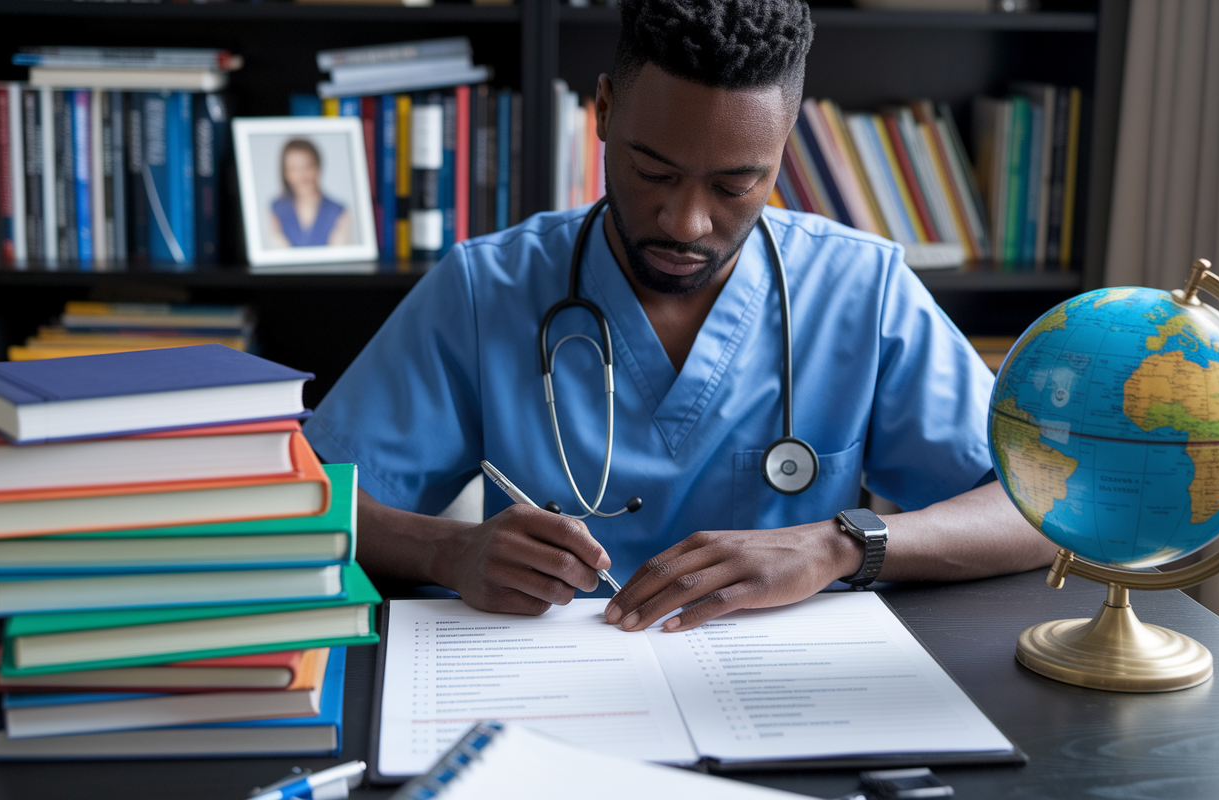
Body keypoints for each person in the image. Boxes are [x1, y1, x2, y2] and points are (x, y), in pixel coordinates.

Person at [304, 0, 1056, 634]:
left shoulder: (863, 288)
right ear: (602, 111)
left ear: (781, 149)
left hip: (783, 695)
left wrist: (839, 544)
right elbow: (309, 494)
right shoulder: (486, 286)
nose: (686, 221)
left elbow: (1039, 510)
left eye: (735, 184)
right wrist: (450, 552)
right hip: (541, 690)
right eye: (653, 170)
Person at [268, 138, 351, 248]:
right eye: (293, 168)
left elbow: (338, 254)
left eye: (307, 166)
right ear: (285, 173)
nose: (302, 175)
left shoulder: (338, 211)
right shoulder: (276, 209)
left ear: (318, 167)